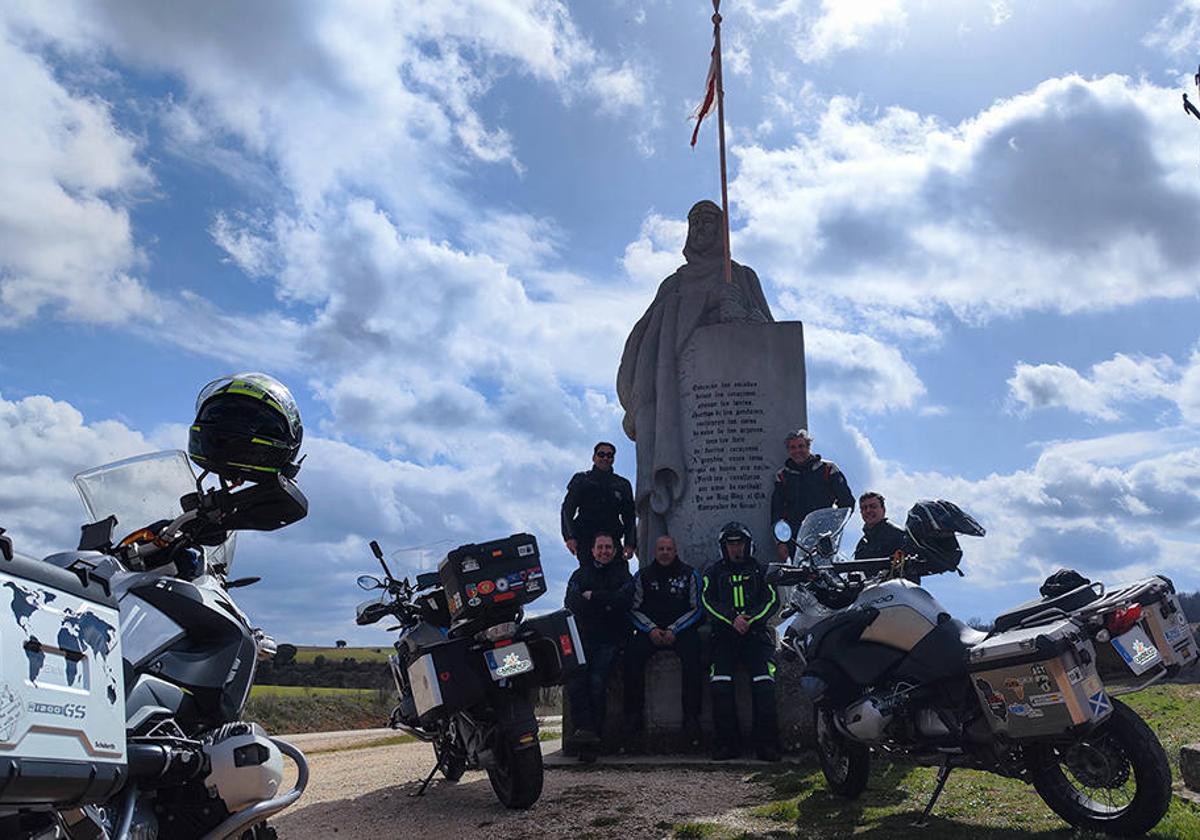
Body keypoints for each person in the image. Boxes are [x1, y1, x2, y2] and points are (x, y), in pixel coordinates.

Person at [617, 200, 774, 557]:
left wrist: (741, 311)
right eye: (694, 223)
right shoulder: (674, 285)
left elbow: (771, 341)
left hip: (737, 414)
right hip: (680, 407)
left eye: (708, 222)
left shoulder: (742, 278)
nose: (700, 229)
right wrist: (705, 301)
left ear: (723, 230)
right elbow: (647, 339)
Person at [702, 522, 781, 762]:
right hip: (724, 637)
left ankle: (766, 745)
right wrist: (730, 619)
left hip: (756, 636)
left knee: (764, 683)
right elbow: (707, 601)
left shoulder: (761, 570)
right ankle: (727, 744)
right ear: (723, 547)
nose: (736, 548)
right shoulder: (713, 572)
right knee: (720, 684)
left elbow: (772, 601)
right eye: (731, 544)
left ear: (749, 545)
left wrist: (751, 619)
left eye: (740, 543)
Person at [623, 535, 704, 743]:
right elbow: (632, 609)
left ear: (675, 551)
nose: (665, 552)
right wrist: (650, 629)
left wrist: (674, 630)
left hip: (682, 631)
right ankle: (633, 716)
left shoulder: (690, 574)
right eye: (661, 549)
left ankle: (692, 717)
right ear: (655, 552)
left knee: (695, 659)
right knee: (631, 656)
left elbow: (697, 609)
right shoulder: (642, 576)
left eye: (669, 549)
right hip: (650, 632)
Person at [564, 532, 634, 760]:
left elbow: (624, 601)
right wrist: (606, 602)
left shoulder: (623, 575)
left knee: (597, 680)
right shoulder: (580, 574)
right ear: (592, 550)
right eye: (600, 547)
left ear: (615, 551)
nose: (604, 551)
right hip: (584, 639)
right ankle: (585, 734)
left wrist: (593, 597)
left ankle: (594, 737)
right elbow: (572, 602)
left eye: (608, 547)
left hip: (612, 640)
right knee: (576, 681)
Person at [771, 429, 854, 561]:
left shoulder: (828, 469)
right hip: (795, 539)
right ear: (788, 450)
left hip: (824, 536)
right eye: (793, 447)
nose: (797, 451)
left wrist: (834, 528)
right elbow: (777, 511)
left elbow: (847, 502)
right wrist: (780, 542)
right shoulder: (782, 476)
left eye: (801, 446)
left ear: (808, 447)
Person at [561, 442, 636, 566]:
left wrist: (630, 544)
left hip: (612, 540)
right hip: (586, 539)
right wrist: (569, 537)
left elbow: (629, 516)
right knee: (588, 578)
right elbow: (567, 510)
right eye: (601, 454)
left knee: (619, 577)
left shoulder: (622, 485)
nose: (605, 458)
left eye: (609, 455)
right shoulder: (581, 480)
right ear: (594, 457)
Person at [853, 492, 907, 563]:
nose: (868, 510)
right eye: (864, 508)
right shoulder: (862, 544)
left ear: (883, 510)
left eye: (873, 506)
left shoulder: (898, 534)